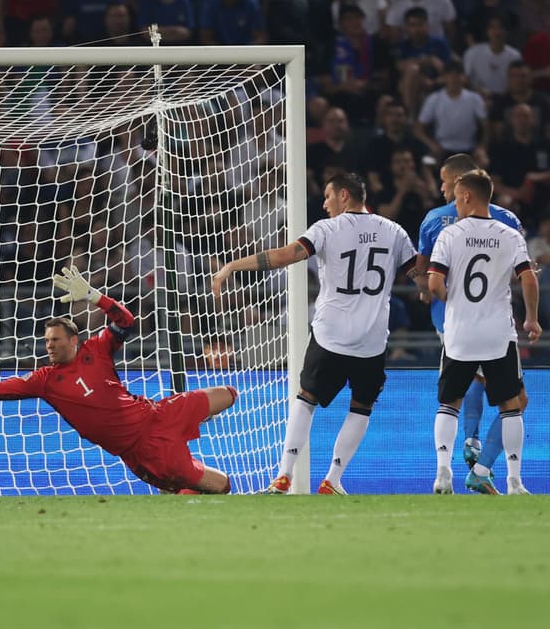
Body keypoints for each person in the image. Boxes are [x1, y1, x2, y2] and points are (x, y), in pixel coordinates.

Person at [0, 265, 239, 494]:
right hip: (144, 449)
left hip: (158, 413)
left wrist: (95, 296)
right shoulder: (45, 380)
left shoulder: (97, 349)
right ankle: (182, 483)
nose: (50, 346)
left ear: (74, 340)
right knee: (222, 485)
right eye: (46, 342)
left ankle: (190, 436)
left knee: (228, 394)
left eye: (55, 340)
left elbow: (126, 320)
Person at [213, 173, 416, 495]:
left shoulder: (326, 229)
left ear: (344, 195)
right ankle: (333, 480)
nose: (324, 203)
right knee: (361, 407)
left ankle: (284, 475)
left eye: (328, 196)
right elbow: (420, 274)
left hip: (330, 333)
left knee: (306, 399)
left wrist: (232, 266)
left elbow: (282, 256)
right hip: (372, 339)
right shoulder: (394, 231)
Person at [415, 154, 524, 492]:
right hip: (494, 323)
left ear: (463, 186)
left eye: (446, 181)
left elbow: (424, 275)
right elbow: (522, 275)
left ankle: (467, 445)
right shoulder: (508, 221)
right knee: (514, 401)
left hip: (452, 323)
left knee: (456, 394)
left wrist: (436, 291)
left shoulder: (435, 221)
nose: (441, 187)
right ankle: (486, 465)